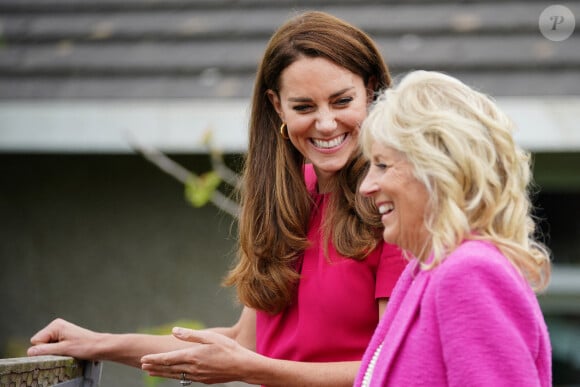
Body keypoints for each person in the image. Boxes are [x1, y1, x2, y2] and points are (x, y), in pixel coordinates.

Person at [27, 11, 407, 387]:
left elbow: (395, 366)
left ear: (372, 91)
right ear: (277, 106)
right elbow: (243, 343)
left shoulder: (393, 204)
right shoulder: (288, 201)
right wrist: (99, 343)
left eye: (341, 101)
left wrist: (250, 369)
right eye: (304, 107)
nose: (325, 124)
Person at [355, 70, 552, 387]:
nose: (366, 186)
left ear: (435, 169)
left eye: (382, 165)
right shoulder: (424, 269)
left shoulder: (469, 271)